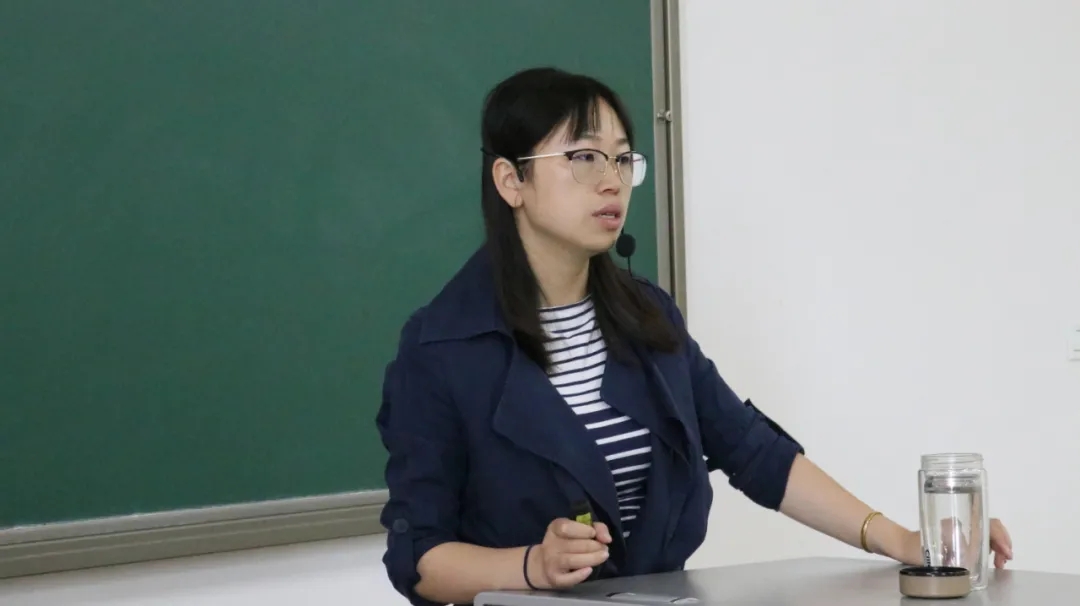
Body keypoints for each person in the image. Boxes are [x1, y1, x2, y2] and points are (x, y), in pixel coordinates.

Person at [375, 67, 1013, 606]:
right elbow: (419, 557)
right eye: (584, 157)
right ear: (511, 181)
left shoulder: (645, 316)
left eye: (622, 158)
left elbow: (751, 450)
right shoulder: (440, 349)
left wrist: (904, 541)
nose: (612, 180)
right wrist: (531, 567)